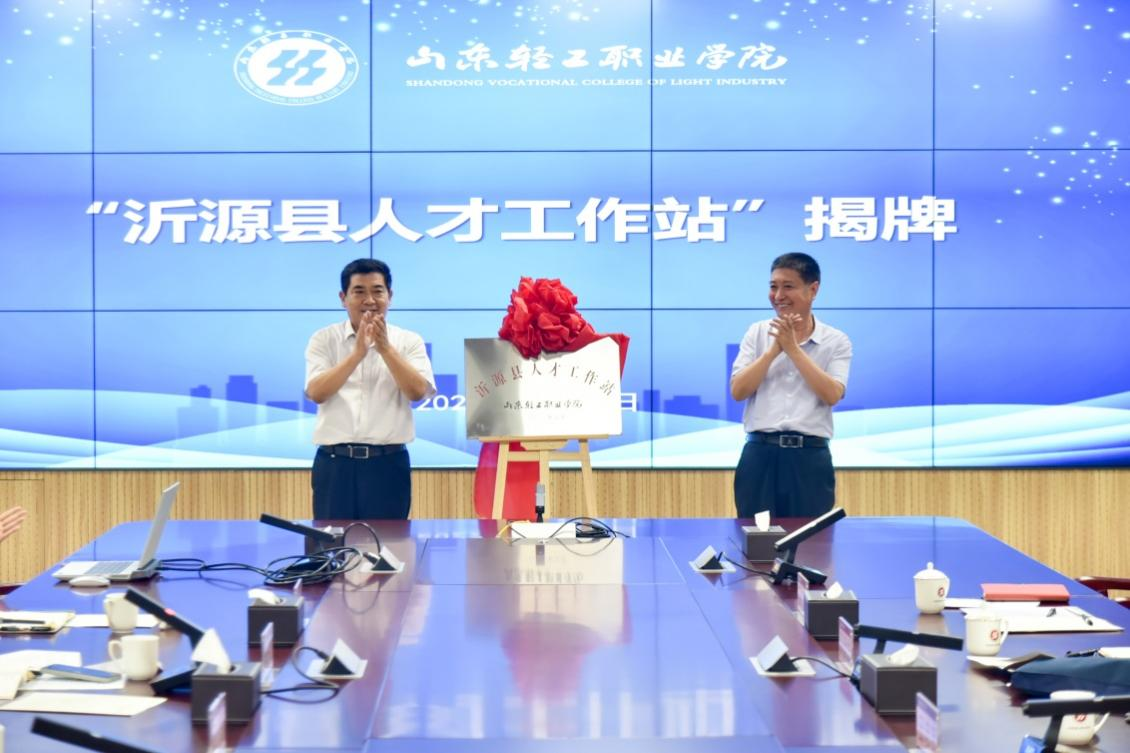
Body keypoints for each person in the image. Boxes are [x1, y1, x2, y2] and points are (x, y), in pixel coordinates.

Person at [305, 258, 436, 519]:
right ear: (343, 298)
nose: (369, 300)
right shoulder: (324, 339)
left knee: (388, 542)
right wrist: (357, 354)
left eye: (377, 291)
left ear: (390, 296)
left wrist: (385, 348)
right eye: (359, 292)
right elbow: (316, 393)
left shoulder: (408, 341)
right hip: (334, 465)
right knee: (332, 541)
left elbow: (418, 392)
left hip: (388, 464)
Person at [730, 253, 852, 518]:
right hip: (759, 455)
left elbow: (832, 394)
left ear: (813, 290)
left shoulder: (836, 340)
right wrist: (774, 350)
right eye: (773, 286)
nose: (778, 295)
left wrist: (793, 349)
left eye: (788, 286)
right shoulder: (757, 332)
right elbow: (738, 391)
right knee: (755, 537)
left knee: (811, 539)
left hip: (809, 459)